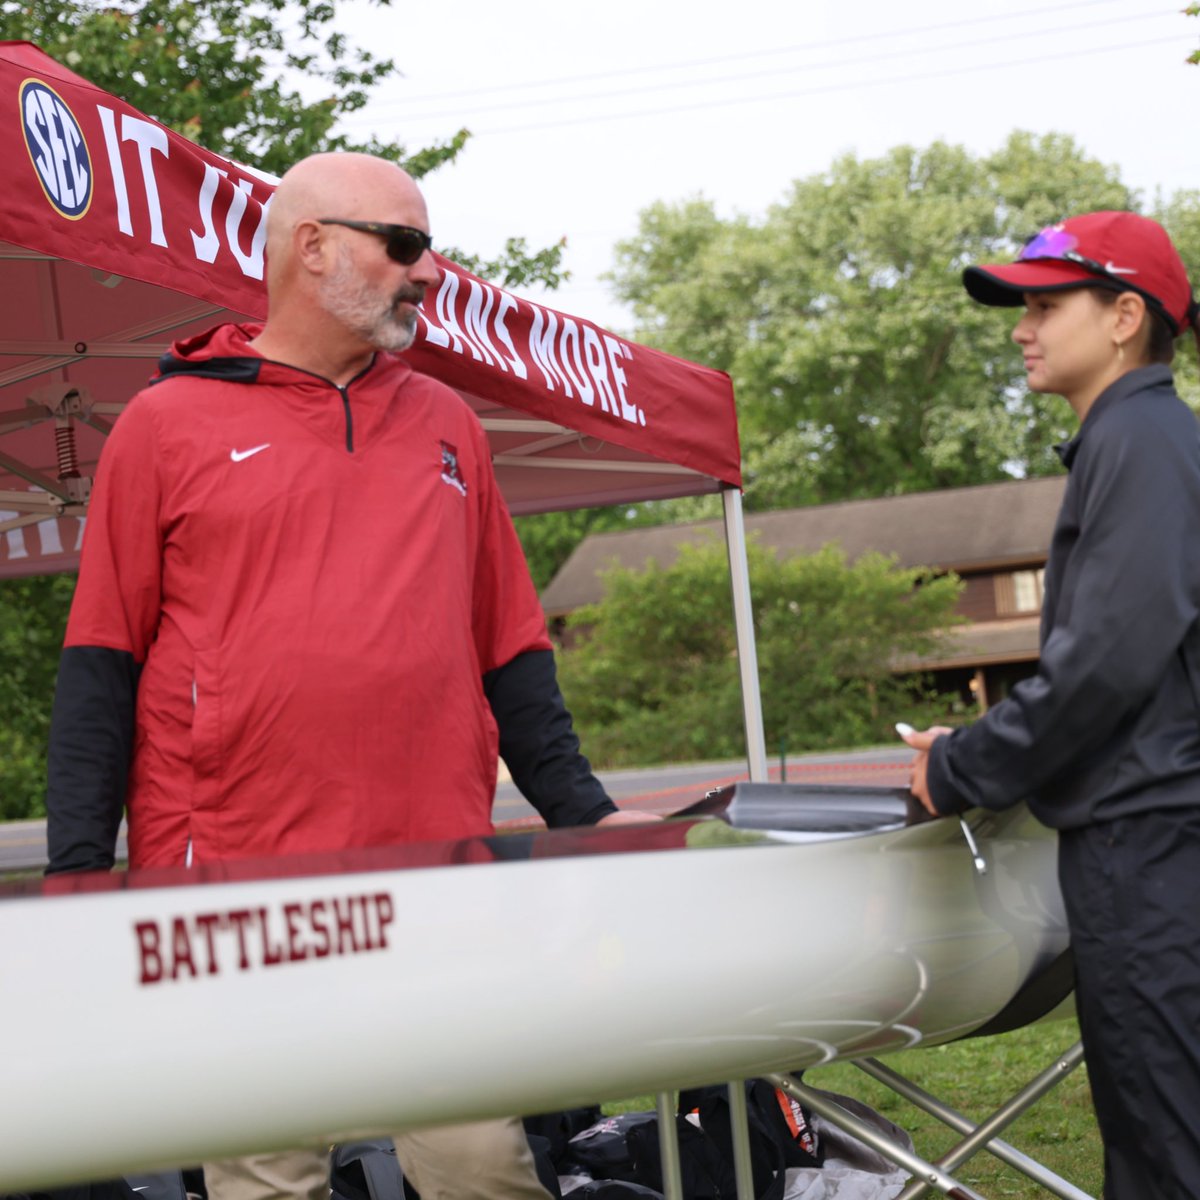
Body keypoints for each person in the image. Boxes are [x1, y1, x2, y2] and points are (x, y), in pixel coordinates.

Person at [44, 151, 653, 1200]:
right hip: (239, 887)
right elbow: (102, 660)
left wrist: (585, 816)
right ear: (310, 246)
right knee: (268, 1181)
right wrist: (79, 875)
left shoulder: (451, 425)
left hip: (431, 876)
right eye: (404, 244)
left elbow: (509, 650)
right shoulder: (165, 424)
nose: (429, 272)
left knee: (485, 1167)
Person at [901, 210, 1200, 1200]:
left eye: (1044, 303)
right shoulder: (1142, 437)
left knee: (1165, 1149)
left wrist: (957, 768)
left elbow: (1104, 666)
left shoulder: (1143, 442)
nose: (1022, 327)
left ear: (1125, 316)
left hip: (1154, 851)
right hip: (1153, 843)